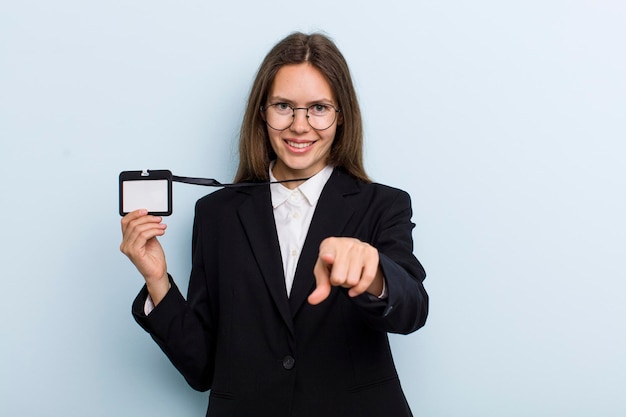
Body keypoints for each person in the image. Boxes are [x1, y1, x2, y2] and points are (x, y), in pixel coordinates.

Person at [120, 32, 428, 417]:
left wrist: (374, 273)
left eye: (318, 108)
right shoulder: (217, 215)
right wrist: (158, 281)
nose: (300, 126)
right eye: (284, 106)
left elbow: (412, 310)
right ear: (262, 113)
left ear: (341, 115)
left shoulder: (383, 205)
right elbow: (203, 369)